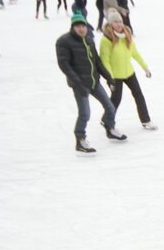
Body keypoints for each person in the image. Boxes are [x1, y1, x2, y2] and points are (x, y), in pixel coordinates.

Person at [55, 14, 124, 153]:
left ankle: (110, 128)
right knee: (85, 113)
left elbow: (97, 62)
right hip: (80, 84)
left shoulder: (89, 40)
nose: (81, 29)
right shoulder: (64, 42)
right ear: (73, 27)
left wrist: (108, 77)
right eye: (78, 26)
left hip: (93, 81)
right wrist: (78, 83)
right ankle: (80, 140)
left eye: (83, 26)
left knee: (110, 107)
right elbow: (64, 65)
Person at [100, 10, 158, 130]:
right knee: (116, 99)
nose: (119, 24)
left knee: (139, 95)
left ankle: (145, 120)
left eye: (120, 21)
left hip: (129, 73)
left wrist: (145, 67)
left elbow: (135, 53)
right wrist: (110, 78)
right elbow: (105, 61)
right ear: (110, 24)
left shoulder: (127, 35)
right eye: (115, 22)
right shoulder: (106, 40)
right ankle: (106, 119)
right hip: (115, 75)